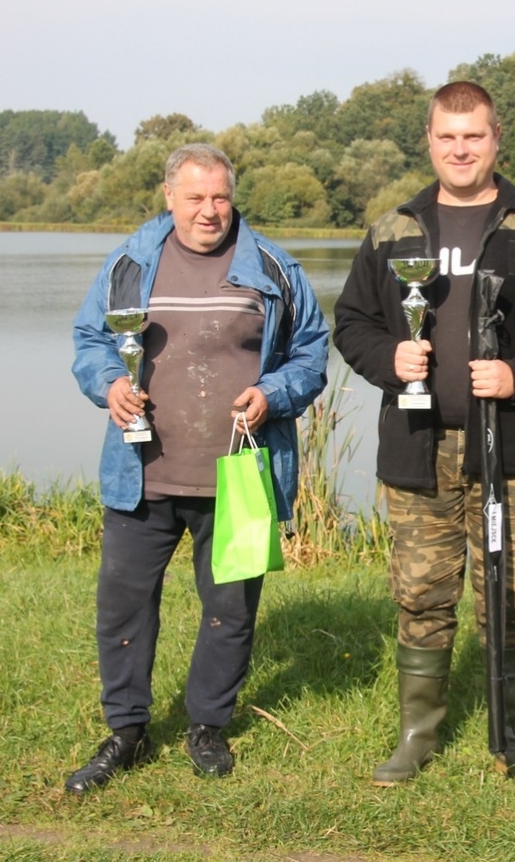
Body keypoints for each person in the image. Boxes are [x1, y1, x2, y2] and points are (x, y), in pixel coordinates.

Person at [333, 81, 515, 792]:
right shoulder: (393, 230)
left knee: (513, 596)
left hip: (512, 452)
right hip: (417, 448)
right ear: (429, 140)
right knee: (420, 594)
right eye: (448, 137)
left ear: (496, 139)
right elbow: (352, 323)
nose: (460, 150)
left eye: (473, 136)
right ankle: (417, 736)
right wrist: (388, 358)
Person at [67, 143, 329, 793]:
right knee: (123, 607)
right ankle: (126, 731)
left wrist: (274, 393)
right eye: (194, 198)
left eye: (220, 197)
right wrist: (109, 383)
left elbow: (311, 353)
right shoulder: (129, 264)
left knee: (229, 610)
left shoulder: (273, 266)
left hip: (238, 473)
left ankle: (208, 725)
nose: (209, 211)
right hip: (141, 473)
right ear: (169, 197)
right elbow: (91, 340)